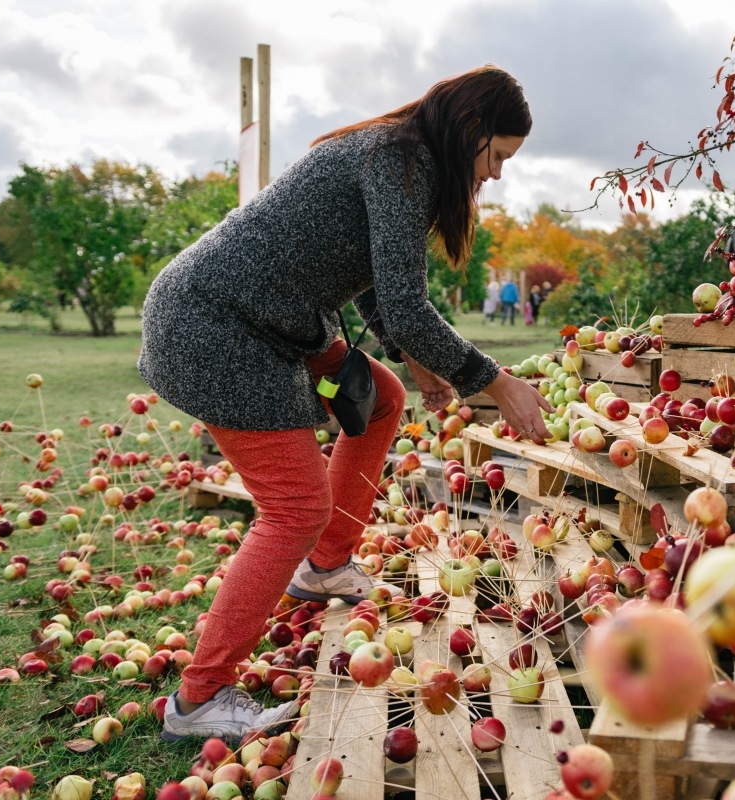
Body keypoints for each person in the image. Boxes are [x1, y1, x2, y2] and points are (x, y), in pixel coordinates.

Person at [138, 66, 552, 742]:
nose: (498, 175)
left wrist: (412, 357)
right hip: (217, 326)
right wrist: (495, 382)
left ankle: (326, 566)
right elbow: (403, 304)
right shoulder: (399, 161)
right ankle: (201, 698)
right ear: (473, 131)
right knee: (295, 506)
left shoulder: (401, 156)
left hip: (274, 319)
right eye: (498, 156)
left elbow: (371, 287)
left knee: (381, 399)